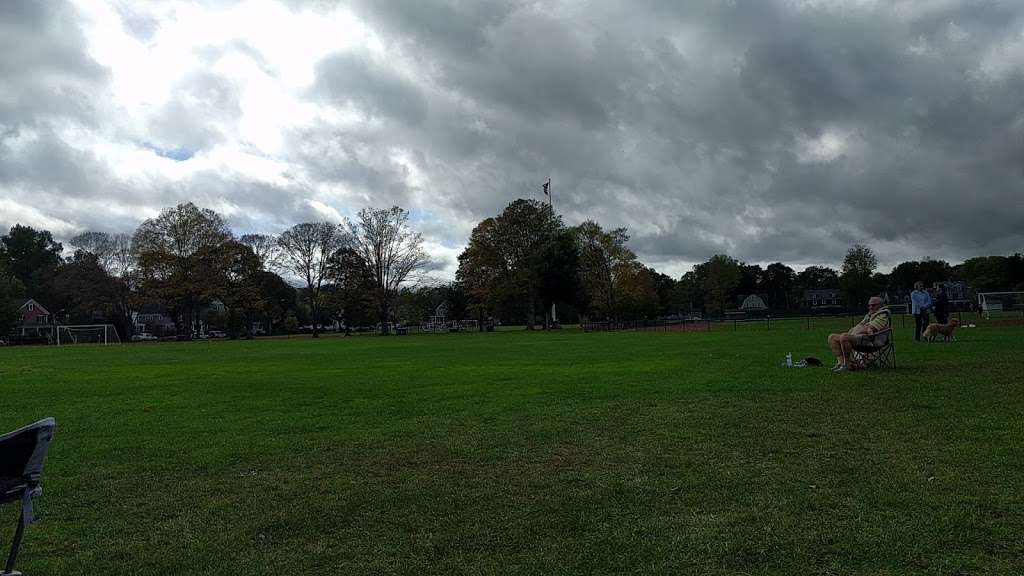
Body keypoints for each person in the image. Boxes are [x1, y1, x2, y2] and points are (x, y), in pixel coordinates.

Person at [827, 296, 890, 371]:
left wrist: (855, 332)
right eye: (869, 305)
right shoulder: (869, 315)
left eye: (873, 305)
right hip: (861, 338)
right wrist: (854, 331)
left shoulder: (882, 315)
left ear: (881, 305)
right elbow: (860, 326)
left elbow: (870, 327)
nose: (870, 307)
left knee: (845, 337)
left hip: (872, 342)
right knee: (832, 337)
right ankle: (841, 363)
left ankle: (847, 365)